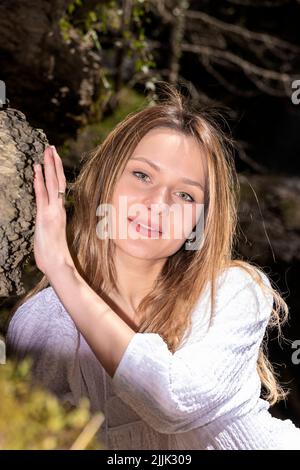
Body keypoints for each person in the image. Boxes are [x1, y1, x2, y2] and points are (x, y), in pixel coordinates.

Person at [6, 82, 300, 450]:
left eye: (184, 194)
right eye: (142, 175)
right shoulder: (45, 323)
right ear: (105, 179)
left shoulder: (232, 291)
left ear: (200, 220)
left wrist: (62, 270)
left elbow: (171, 403)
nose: (158, 203)